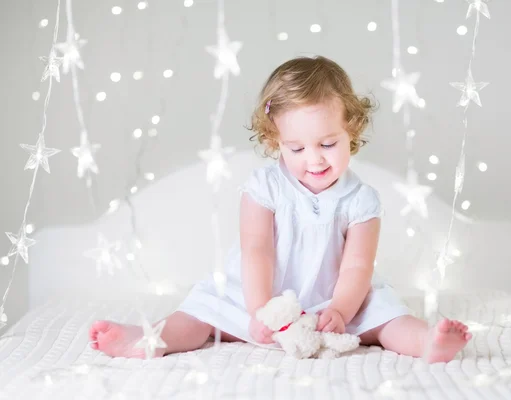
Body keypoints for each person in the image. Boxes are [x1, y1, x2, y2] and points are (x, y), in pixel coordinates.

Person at [89, 55, 471, 362]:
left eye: (327, 143)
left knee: (386, 317)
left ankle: (427, 342)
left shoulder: (361, 200)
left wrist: (339, 310)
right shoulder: (263, 188)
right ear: (276, 141)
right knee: (201, 313)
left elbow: (357, 266)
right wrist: (260, 310)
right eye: (297, 148)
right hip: (262, 293)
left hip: (335, 297)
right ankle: (149, 338)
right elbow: (257, 250)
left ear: (350, 131)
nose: (314, 160)